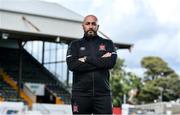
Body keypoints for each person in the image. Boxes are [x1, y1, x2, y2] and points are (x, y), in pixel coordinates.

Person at [66, 14, 117, 114]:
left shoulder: (108, 43)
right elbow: (72, 65)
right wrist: (100, 61)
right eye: (87, 23)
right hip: (80, 95)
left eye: (93, 24)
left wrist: (86, 59)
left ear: (97, 27)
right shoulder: (74, 45)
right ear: (83, 26)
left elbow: (110, 62)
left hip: (103, 95)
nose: (90, 26)